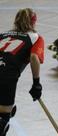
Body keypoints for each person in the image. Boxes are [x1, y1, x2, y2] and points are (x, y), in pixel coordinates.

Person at [0, 8, 44, 136]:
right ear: (33, 23)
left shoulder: (3, 34)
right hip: (6, 76)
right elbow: (34, 57)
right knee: (4, 117)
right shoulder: (35, 37)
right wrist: (36, 83)